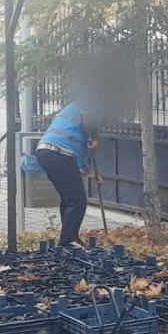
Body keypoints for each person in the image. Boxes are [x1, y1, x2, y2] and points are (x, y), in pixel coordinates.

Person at [36, 96, 102, 247]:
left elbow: (79, 149)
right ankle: (67, 242)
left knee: (69, 199)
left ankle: (69, 239)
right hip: (59, 152)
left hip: (47, 151)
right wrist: (95, 137)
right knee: (77, 200)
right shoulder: (94, 103)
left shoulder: (79, 106)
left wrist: (91, 173)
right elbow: (89, 119)